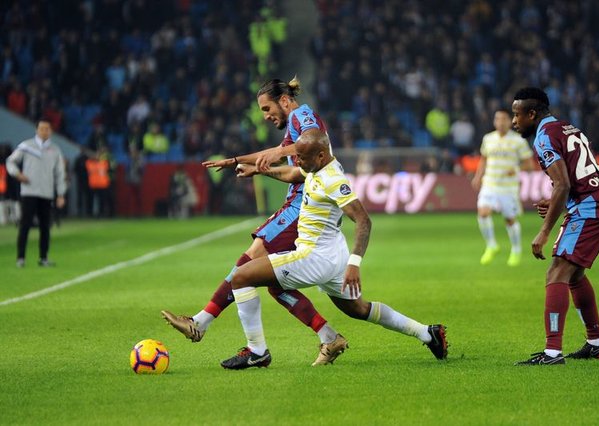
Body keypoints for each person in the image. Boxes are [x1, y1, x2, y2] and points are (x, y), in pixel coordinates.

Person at [220, 129, 448, 369]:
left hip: (313, 257)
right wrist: (259, 169)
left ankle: (257, 351)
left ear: (320, 156)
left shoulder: (333, 180)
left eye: (302, 157)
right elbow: (293, 173)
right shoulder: (317, 167)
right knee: (358, 309)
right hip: (332, 253)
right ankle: (426, 333)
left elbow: (363, 220)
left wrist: (355, 263)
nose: (298, 160)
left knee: (241, 277)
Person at [162, 77, 347, 366]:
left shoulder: (301, 115)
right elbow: (276, 152)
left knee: (249, 261)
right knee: (274, 284)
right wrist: (234, 160)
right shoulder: (292, 126)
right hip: (295, 203)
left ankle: (206, 326)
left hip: (302, 206)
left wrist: (277, 154)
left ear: (284, 100)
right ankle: (327, 335)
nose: (265, 115)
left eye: (266, 108)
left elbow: (314, 142)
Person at [511, 88, 599, 366]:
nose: (515, 121)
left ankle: (552, 353)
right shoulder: (566, 128)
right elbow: (574, 177)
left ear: (532, 114)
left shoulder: (544, 137)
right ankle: (597, 343)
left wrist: (545, 230)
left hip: (591, 206)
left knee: (557, 270)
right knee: (573, 274)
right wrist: (558, 203)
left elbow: (563, 183)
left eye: (517, 114)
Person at [471, 109, 535, 267]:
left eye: (504, 119)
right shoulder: (488, 139)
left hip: (508, 188)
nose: (500, 122)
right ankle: (492, 245)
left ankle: (516, 249)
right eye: (497, 118)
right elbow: (484, 159)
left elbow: (530, 165)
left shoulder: (518, 140)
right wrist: (478, 176)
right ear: (494, 121)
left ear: (511, 121)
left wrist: (516, 169)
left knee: (509, 220)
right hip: (490, 184)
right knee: (483, 212)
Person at [6, 118, 66, 267]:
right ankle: (21, 258)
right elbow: (10, 161)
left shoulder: (55, 150)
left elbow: (60, 173)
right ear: (36, 130)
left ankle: (43, 258)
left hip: (46, 193)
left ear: (51, 131)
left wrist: (60, 194)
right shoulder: (27, 146)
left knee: (45, 227)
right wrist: (17, 174)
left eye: (47, 129)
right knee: (25, 225)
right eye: (42, 129)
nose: (44, 131)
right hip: (29, 191)